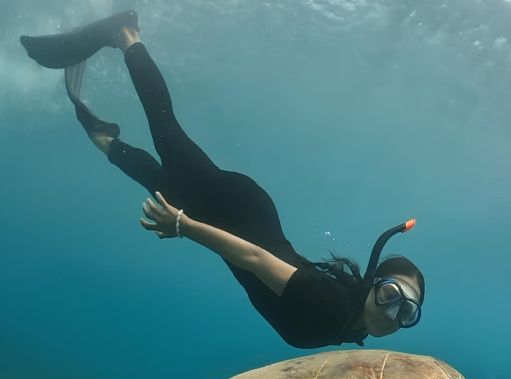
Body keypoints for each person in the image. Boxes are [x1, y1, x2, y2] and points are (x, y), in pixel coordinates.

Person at [20, 11, 425, 349]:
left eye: (406, 310)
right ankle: (126, 33)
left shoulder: (355, 326)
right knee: (166, 131)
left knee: (149, 175)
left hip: (235, 218)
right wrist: (184, 226)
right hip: (237, 209)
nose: (393, 313)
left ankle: (104, 137)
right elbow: (253, 258)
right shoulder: (329, 302)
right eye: (390, 296)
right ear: (374, 286)